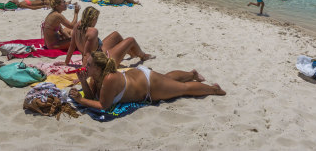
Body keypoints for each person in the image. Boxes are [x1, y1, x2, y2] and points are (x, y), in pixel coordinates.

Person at [68, 51, 225, 111]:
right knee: (167, 79)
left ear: (98, 68)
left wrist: (80, 99)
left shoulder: (109, 78)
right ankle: (192, 74)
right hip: (139, 77)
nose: (85, 67)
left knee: (183, 89)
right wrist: (83, 83)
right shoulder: (96, 77)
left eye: (88, 65)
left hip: (149, 86)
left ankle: (213, 89)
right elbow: (91, 97)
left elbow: (103, 105)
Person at [65, 6, 153, 65]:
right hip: (100, 62)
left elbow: (72, 46)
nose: (96, 21)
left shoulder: (77, 26)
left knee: (116, 35)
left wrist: (66, 62)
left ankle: (132, 54)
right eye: (96, 19)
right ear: (93, 19)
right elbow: (86, 54)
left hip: (98, 52)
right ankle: (143, 56)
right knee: (131, 40)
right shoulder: (93, 31)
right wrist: (85, 73)